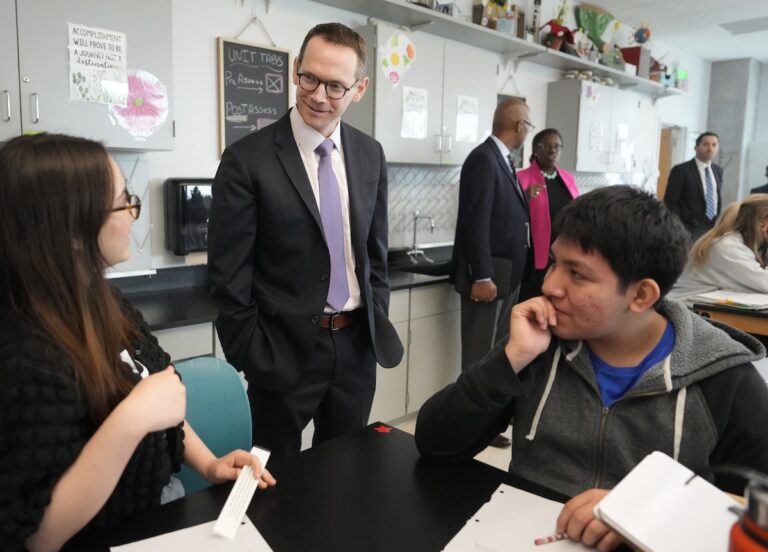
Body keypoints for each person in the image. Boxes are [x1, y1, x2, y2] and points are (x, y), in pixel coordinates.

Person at [416, 186, 768, 550]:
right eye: (554, 262)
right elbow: (436, 444)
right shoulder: (540, 344)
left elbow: (758, 509)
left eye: (577, 275)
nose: (549, 285)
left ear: (641, 295)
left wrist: (645, 510)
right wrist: (511, 359)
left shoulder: (724, 377)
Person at [0, 134, 275, 552]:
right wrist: (129, 420)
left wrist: (209, 463)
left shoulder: (107, 302)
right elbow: (38, 536)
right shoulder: (24, 355)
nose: (134, 213)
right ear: (72, 229)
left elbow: (160, 400)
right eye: (124, 202)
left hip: (156, 515)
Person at [208, 23, 403, 460]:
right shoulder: (247, 160)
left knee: (344, 478)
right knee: (274, 488)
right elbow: (227, 276)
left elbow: (375, 254)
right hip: (281, 353)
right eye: (310, 77)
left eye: (336, 86)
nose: (318, 95)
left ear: (360, 88)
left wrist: (375, 317)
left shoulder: (370, 153)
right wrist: (251, 355)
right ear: (296, 69)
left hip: (355, 348)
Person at [450, 98, 533, 448]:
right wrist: (481, 275)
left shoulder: (503, 160)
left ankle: (487, 422)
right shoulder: (483, 159)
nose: (527, 130)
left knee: (495, 353)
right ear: (518, 126)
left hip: (506, 273)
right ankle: (467, 424)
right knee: (478, 354)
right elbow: (475, 222)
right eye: (527, 124)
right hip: (490, 275)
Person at [669, 194, 768, 303]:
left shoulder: (740, 245)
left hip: (700, 309)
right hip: (684, 309)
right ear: (763, 222)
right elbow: (764, 283)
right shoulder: (728, 248)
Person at [517, 128, 579, 302]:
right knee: (533, 301)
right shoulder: (521, 178)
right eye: (547, 145)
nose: (553, 150)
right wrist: (524, 197)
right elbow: (508, 214)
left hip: (564, 254)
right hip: (534, 257)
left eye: (557, 146)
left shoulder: (567, 178)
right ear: (536, 150)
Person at [664, 131, 724, 241]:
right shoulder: (681, 170)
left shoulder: (718, 170)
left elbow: (716, 198)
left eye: (714, 145)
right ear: (696, 147)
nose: (710, 148)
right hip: (688, 228)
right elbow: (670, 203)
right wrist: (680, 227)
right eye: (706, 144)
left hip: (712, 227)